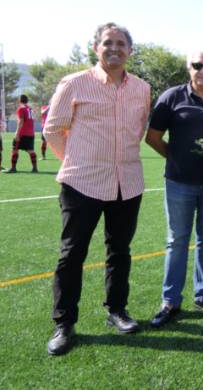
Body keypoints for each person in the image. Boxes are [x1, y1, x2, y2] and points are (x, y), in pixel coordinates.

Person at [43, 22, 150, 356]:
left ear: (130, 50)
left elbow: (139, 128)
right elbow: (53, 129)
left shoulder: (142, 88)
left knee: (120, 251)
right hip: (82, 183)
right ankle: (64, 323)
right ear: (96, 48)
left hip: (127, 182)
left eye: (120, 43)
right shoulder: (74, 83)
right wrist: (76, 162)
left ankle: (117, 310)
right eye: (107, 42)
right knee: (72, 253)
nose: (114, 48)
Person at [146, 49, 203, 329]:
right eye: (197, 65)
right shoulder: (172, 97)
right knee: (177, 241)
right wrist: (176, 158)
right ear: (189, 68)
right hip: (179, 183)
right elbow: (152, 137)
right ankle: (170, 301)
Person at [3, 94, 38, 173]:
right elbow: (33, 120)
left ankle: (13, 168)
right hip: (31, 133)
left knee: (15, 149)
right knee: (31, 150)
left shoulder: (21, 108)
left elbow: (21, 121)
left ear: (19, 100)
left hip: (22, 133)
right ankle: (35, 168)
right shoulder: (30, 109)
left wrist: (17, 132)